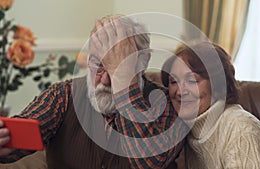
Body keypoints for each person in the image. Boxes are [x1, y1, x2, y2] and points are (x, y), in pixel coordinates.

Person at [0, 15, 187, 169]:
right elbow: (19, 137)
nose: (104, 81)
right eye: (98, 66)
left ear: (144, 62)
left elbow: (149, 163)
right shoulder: (63, 95)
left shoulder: (169, 103)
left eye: (115, 69)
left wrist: (123, 80)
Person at [160, 41, 260, 168]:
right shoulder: (189, 130)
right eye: (173, 81)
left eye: (192, 80)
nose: (180, 92)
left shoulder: (241, 128)